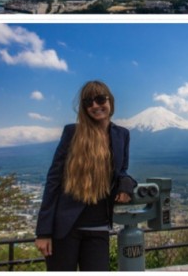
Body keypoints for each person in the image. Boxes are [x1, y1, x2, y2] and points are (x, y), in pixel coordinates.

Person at [35, 80, 136, 271]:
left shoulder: (122, 134)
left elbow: (121, 170)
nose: (95, 106)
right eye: (89, 102)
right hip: (65, 228)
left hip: (99, 227)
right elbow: (54, 180)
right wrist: (43, 232)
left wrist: (126, 183)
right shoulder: (72, 133)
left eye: (100, 99)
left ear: (110, 101)